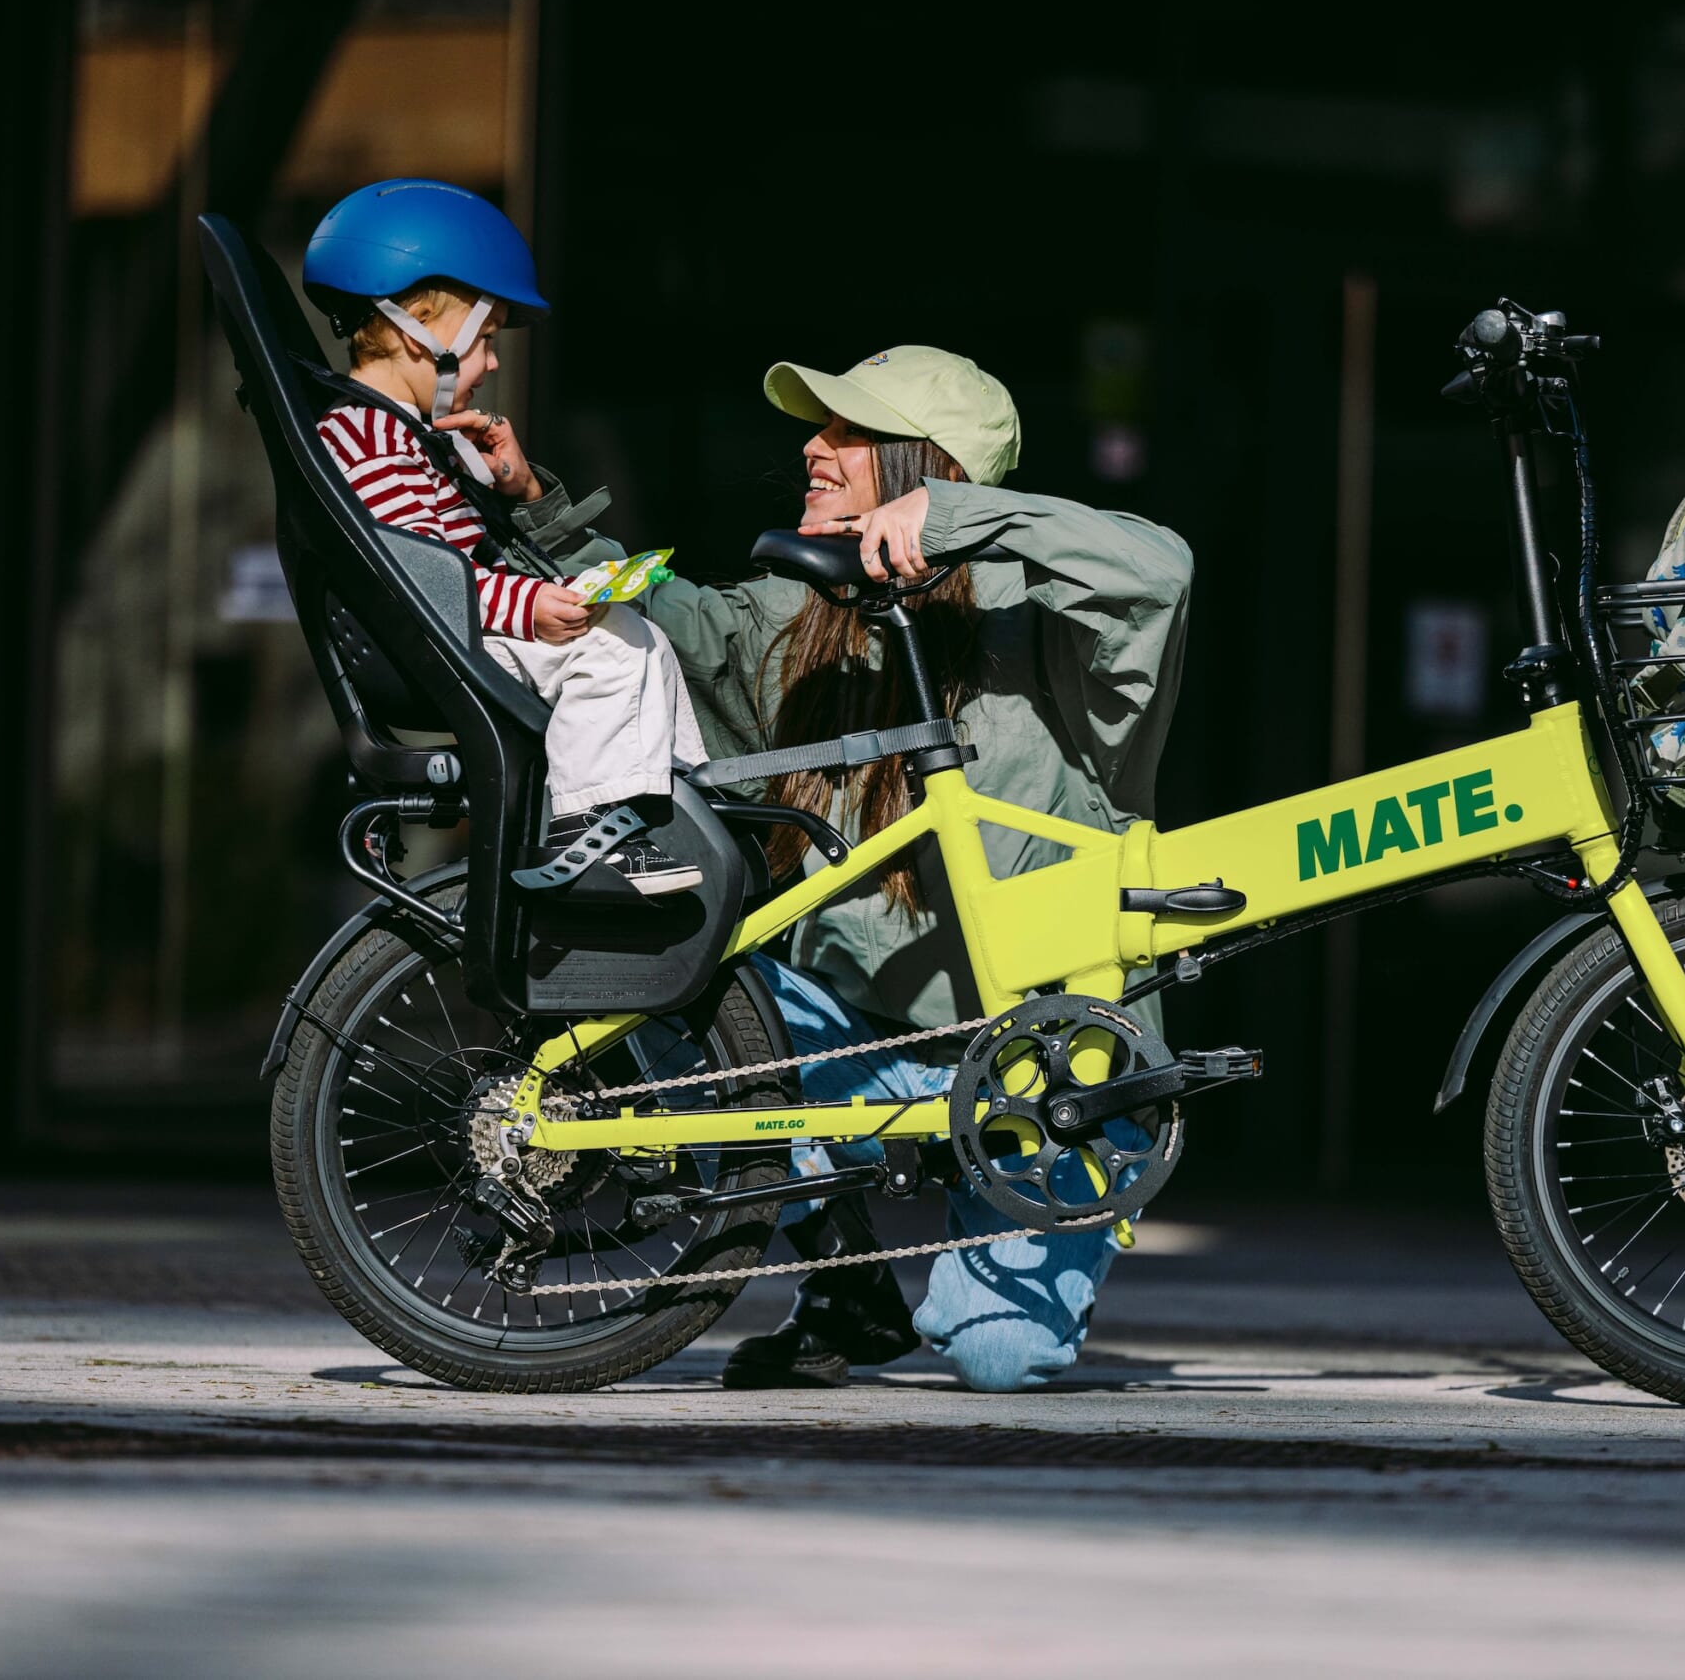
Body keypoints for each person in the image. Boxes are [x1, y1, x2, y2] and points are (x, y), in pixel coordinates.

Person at [526, 346, 1193, 1391]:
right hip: (860, 1049)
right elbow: (667, 619)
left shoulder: (1053, 615)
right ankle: (844, 1272)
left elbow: (1160, 570)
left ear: (924, 464)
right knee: (661, 975)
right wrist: (535, 504)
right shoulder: (806, 614)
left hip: (1048, 1070)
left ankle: (1006, 1259)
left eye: (847, 432)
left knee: (999, 1356)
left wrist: (956, 519)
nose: (813, 447)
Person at [301, 179, 707, 893]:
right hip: (440, 640)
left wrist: (506, 498)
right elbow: (420, 574)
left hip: (457, 628)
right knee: (613, 651)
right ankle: (592, 839)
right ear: (414, 332)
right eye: (484, 340)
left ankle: (679, 808)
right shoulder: (370, 437)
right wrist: (530, 606)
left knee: (638, 638)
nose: (491, 363)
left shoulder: (402, 435)